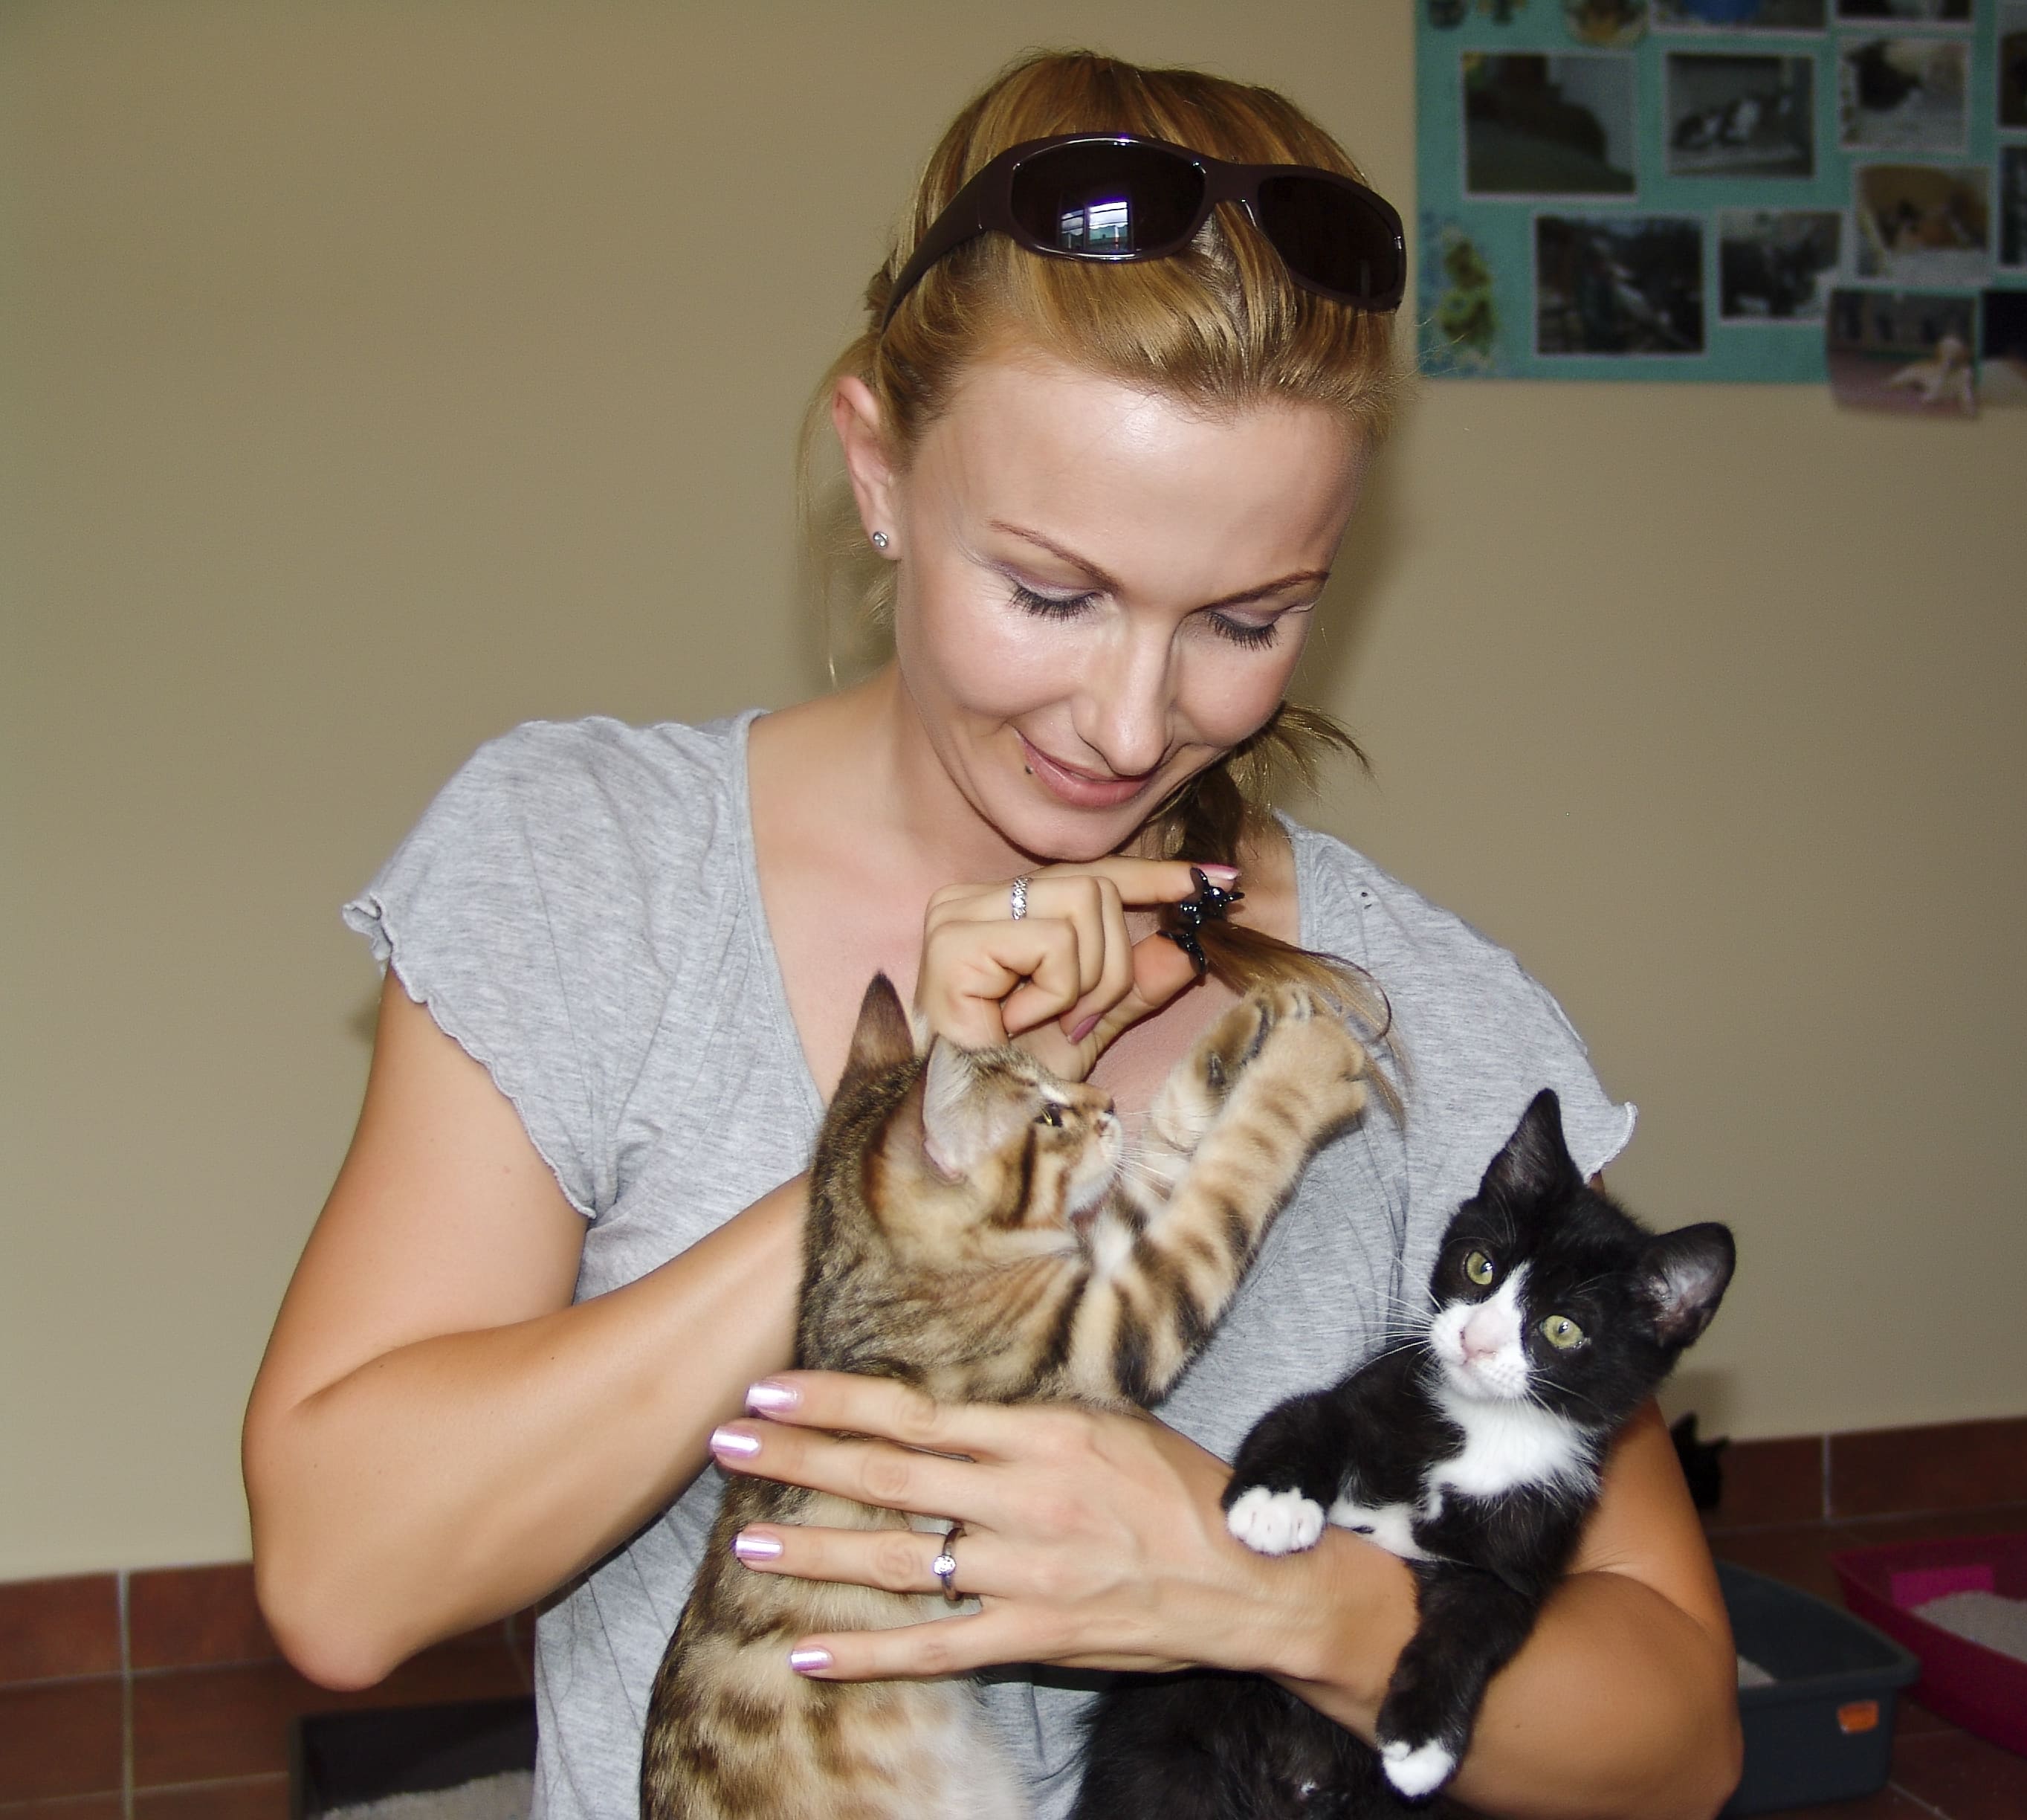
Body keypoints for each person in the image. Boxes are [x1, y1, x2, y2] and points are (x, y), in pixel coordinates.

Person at [242, 50, 1741, 1820]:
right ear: (877, 470)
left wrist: (1263, 1594)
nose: (1131, 720)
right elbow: (346, 1580)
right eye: (1050, 592)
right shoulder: (598, 870)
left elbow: (1677, 1741)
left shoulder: (1418, 1015)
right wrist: (892, 1167)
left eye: (1247, 620)